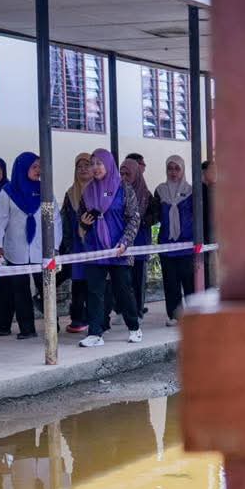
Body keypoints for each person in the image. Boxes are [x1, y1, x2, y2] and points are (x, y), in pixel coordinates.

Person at [76, 149, 141, 348]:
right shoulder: (87, 191)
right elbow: (82, 220)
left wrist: (125, 242)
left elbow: (134, 219)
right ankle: (95, 332)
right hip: (95, 248)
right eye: (92, 164)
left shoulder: (124, 188)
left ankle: (134, 327)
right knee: (94, 291)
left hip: (118, 249)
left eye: (99, 163)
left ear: (109, 165)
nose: (95, 168)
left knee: (123, 290)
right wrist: (84, 225)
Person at [0, 151, 42, 339]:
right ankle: (27, 329)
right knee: (20, 290)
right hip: (15, 250)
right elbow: (0, 221)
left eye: (39, 167)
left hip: (41, 250)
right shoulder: (8, 192)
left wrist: (55, 245)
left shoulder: (45, 190)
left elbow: (52, 220)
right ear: (23, 168)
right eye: (34, 167)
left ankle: (53, 325)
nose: (39, 170)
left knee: (45, 288)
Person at [154, 154, 195, 326]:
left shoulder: (191, 190)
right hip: (167, 244)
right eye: (170, 168)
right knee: (171, 283)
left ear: (183, 170)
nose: (173, 172)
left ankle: (193, 315)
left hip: (187, 244)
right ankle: (174, 315)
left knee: (189, 282)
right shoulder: (160, 190)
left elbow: (196, 215)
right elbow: (154, 215)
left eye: (177, 168)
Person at [120, 154, 159, 318]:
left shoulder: (146, 194)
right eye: (121, 174)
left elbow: (155, 215)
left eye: (127, 174)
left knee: (138, 279)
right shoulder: (118, 193)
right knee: (123, 280)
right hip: (123, 243)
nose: (123, 178)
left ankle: (137, 311)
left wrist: (141, 221)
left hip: (140, 242)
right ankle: (123, 310)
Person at [59, 152, 93, 335]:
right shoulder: (70, 194)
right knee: (78, 282)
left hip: (95, 245)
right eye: (79, 167)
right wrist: (67, 244)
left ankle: (97, 318)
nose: (83, 170)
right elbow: (64, 220)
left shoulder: (98, 191)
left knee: (95, 282)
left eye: (87, 165)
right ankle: (78, 318)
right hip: (76, 246)